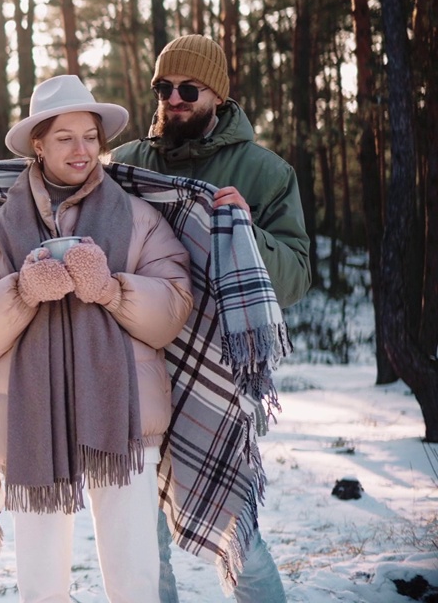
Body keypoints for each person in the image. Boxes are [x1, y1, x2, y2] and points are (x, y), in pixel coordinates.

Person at [0, 74, 194, 603]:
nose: (82, 150)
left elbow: (173, 305)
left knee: (134, 580)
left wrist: (111, 289)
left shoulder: (138, 218)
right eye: (65, 138)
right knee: (41, 586)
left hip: (123, 417)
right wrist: (22, 289)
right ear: (38, 143)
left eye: (90, 137)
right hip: (30, 421)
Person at [110, 34, 313, 603]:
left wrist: (246, 233)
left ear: (217, 97)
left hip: (221, 377)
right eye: (164, 88)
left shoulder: (265, 173)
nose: (173, 98)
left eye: (187, 89)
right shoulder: (126, 166)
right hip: (137, 371)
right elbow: (62, 195)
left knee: (235, 536)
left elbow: (296, 277)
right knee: (141, 544)